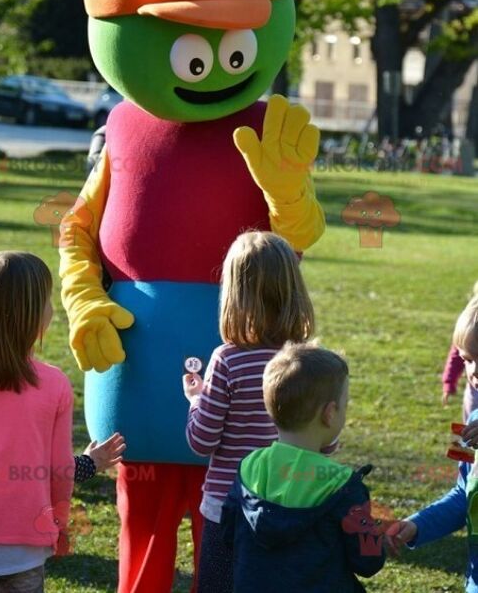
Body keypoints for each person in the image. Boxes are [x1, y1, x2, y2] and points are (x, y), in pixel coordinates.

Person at [182, 231, 315, 593]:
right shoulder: (307, 362)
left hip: (228, 511)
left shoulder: (227, 360)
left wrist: (196, 400)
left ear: (233, 295)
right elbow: (327, 444)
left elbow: (202, 439)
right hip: (291, 508)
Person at [220, 342, 386, 593]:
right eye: (345, 404)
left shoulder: (249, 467)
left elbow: (227, 532)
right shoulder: (342, 485)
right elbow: (368, 562)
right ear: (330, 413)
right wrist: (376, 534)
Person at [0, 251, 74, 592]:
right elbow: (60, 468)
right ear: (35, 315)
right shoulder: (54, 384)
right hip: (23, 548)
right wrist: (60, 523)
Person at [388, 299, 478, 591]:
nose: (473, 371)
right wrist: (417, 525)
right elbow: (462, 496)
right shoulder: (472, 422)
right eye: (467, 359)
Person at [442, 283, 478, 420]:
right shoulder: (474, 415)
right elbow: (455, 356)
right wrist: (448, 381)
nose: (475, 370)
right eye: (468, 360)